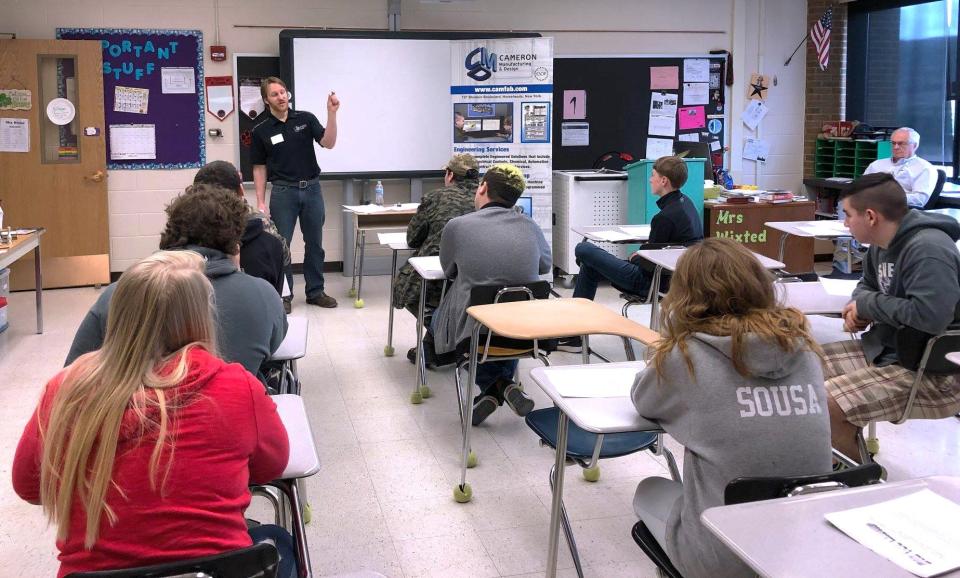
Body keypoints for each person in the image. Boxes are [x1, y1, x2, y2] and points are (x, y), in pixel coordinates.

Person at [13, 251, 296, 578]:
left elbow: (29, 486)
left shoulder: (65, 390)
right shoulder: (236, 386)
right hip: (217, 571)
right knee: (279, 544)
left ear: (118, 313)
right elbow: (272, 465)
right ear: (201, 317)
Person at [630, 237, 831, 578]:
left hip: (725, 556)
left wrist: (674, 338)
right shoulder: (804, 348)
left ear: (684, 295)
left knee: (648, 489)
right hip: (807, 545)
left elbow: (643, 400)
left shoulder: (688, 357)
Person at [65, 184, 287, 380]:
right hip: (225, 419)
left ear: (171, 233)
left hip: (136, 421)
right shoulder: (263, 295)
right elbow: (273, 347)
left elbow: (73, 372)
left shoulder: (119, 293)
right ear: (235, 243)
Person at [823, 172, 960, 460]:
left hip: (930, 369)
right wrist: (861, 307)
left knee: (826, 402)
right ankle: (843, 449)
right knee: (803, 365)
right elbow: (865, 288)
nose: (844, 223)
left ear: (871, 216)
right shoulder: (880, 247)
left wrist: (869, 306)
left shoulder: (928, 249)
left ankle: (858, 479)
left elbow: (930, 317)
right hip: (889, 349)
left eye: (848, 215)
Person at [431, 164, 551, 425]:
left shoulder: (458, 226)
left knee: (440, 317)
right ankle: (503, 388)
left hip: (476, 333)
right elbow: (545, 266)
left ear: (483, 187)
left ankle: (497, 386)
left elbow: (448, 270)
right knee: (497, 319)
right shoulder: (529, 225)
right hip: (528, 333)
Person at [561, 155, 703, 351]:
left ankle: (574, 336)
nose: (650, 179)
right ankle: (574, 336)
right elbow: (662, 249)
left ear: (664, 181)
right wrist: (642, 254)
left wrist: (639, 256)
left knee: (584, 249)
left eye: (653, 175)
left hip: (649, 282)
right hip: (672, 280)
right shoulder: (686, 204)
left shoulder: (665, 217)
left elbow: (649, 264)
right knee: (589, 266)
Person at [251, 76, 339, 309]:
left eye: (283, 92)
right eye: (274, 94)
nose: (281, 97)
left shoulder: (305, 119)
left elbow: (329, 143)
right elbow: (259, 167)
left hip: (312, 189)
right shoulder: (261, 130)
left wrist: (332, 114)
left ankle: (315, 291)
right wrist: (260, 201)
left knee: (315, 244)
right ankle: (284, 295)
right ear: (266, 100)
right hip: (283, 192)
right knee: (281, 246)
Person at [393, 153, 479, 362]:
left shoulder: (435, 197)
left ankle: (443, 335)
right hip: (478, 280)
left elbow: (413, 239)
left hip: (437, 278)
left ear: (450, 175)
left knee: (405, 289)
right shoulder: (490, 200)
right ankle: (441, 341)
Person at [194, 160, 290, 302]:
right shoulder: (263, 225)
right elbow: (284, 257)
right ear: (241, 190)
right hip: (260, 302)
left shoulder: (186, 232)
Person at [864, 127, 939, 208]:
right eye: (893, 143)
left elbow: (919, 200)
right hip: (868, 206)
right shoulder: (876, 164)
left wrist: (887, 198)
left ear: (915, 145)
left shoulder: (924, 168)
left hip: (898, 210)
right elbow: (861, 186)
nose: (896, 147)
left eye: (901, 143)